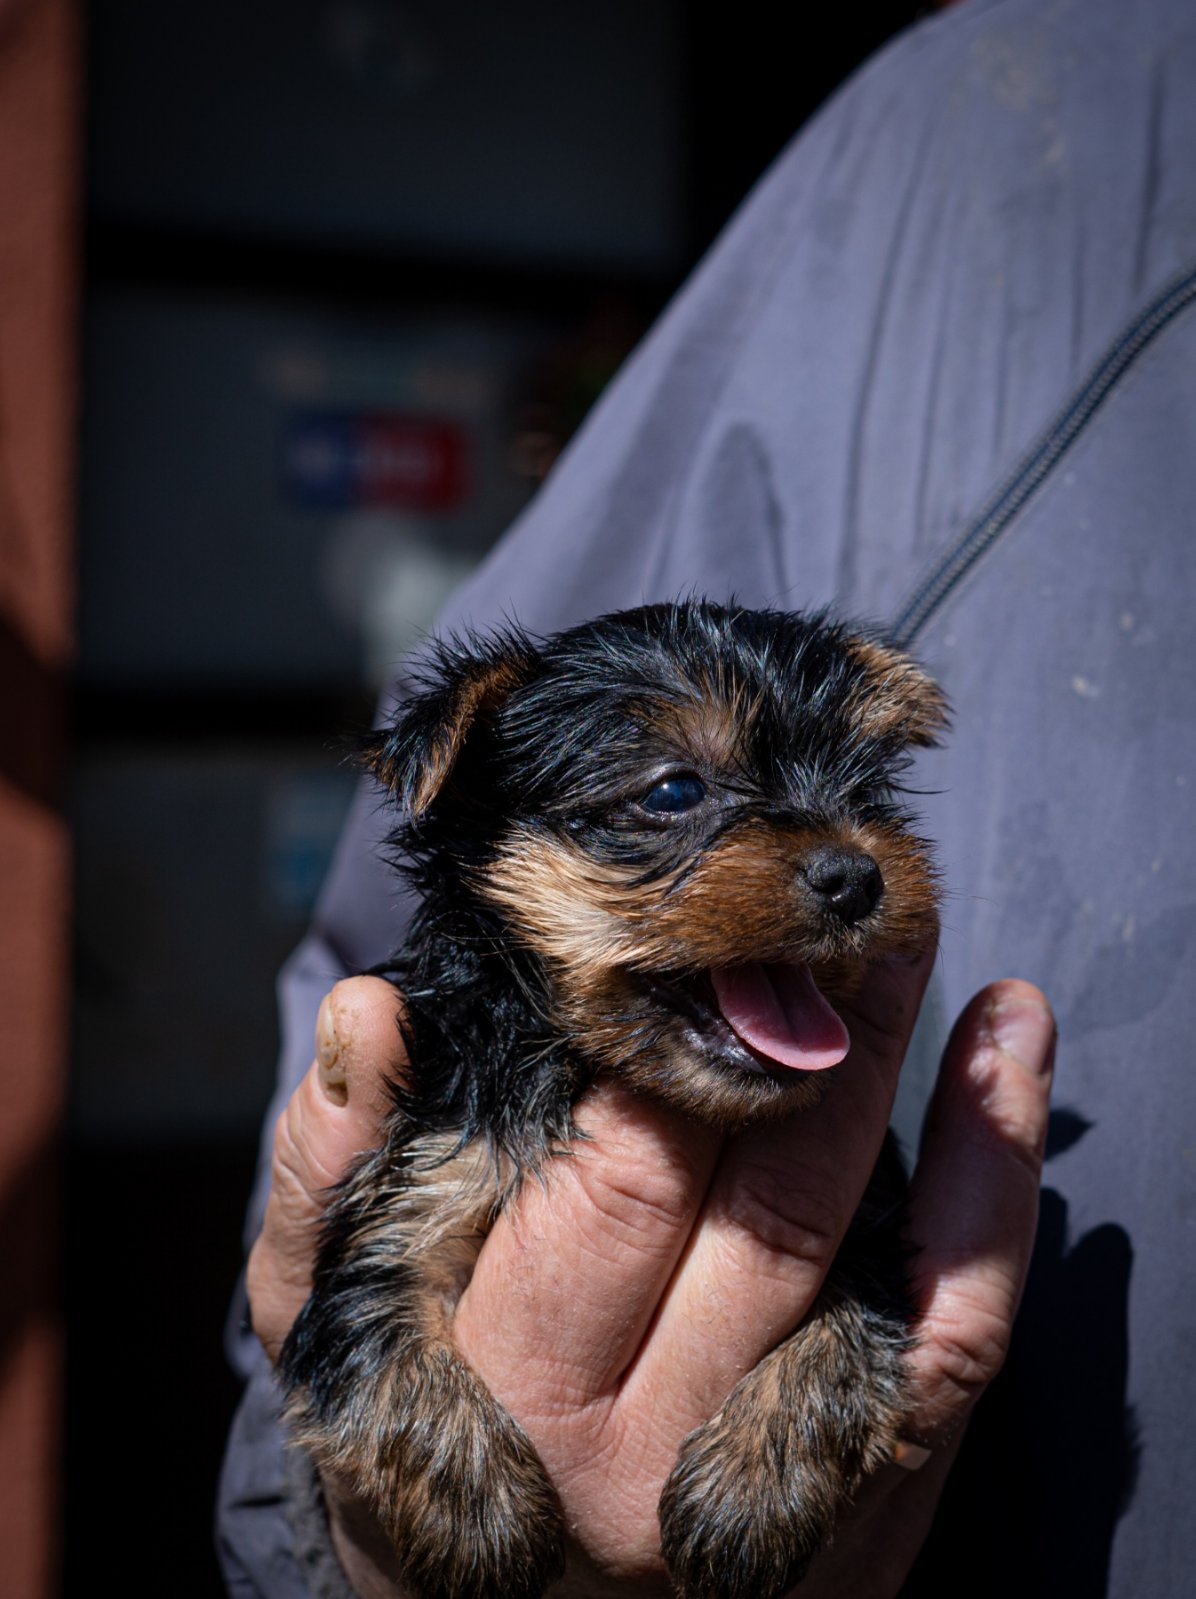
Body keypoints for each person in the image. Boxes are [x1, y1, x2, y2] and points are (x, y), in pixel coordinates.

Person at [219, 0, 1196, 1591]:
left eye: (860, 789)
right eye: (672, 792)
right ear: (463, 802)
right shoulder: (984, 143)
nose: (834, 867)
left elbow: (877, 1312)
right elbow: (334, 1351)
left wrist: (824, 1394)